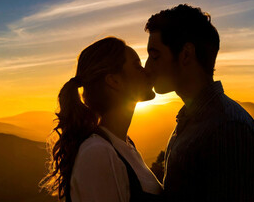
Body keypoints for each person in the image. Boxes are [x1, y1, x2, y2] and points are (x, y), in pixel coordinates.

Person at [144, 4, 254, 201]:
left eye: (155, 56)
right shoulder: (192, 121)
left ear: (186, 54)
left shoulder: (229, 129)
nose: (147, 67)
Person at [40, 37, 163, 202]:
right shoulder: (98, 152)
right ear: (114, 81)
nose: (146, 71)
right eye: (136, 65)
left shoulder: (124, 146)